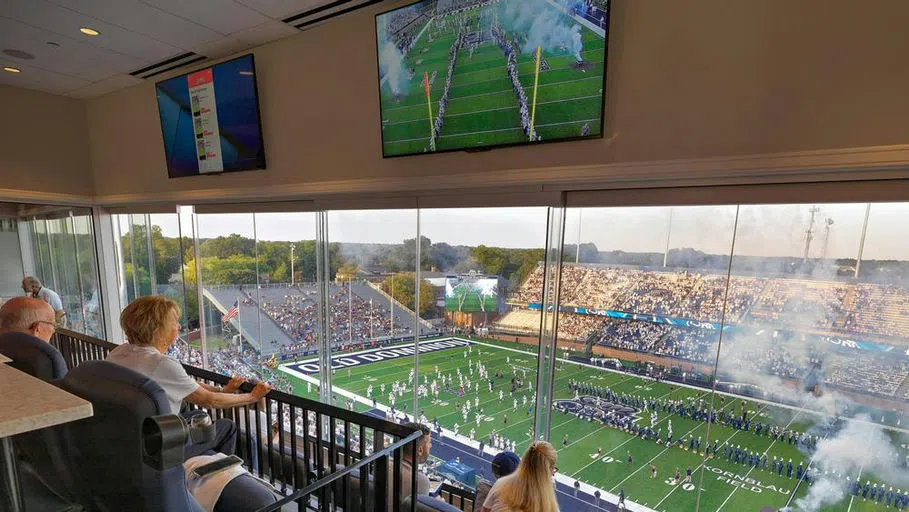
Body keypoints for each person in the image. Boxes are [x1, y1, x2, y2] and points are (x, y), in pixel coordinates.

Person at [106, 296, 270, 459]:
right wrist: (253, 396)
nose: (179, 327)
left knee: (197, 416)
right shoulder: (160, 364)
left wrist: (222, 390)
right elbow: (210, 401)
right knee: (227, 428)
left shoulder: (119, 352)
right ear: (158, 331)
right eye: (174, 323)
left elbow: (184, 383)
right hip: (159, 445)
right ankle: (214, 474)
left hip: (130, 433)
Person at [481, 440, 558, 512]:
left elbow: (485, 509)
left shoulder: (501, 484)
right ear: (546, 471)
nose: (553, 473)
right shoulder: (547, 502)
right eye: (553, 469)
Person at [396, 422, 432, 504]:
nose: (430, 446)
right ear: (420, 450)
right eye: (429, 443)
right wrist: (437, 503)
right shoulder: (420, 480)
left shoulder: (384, 465)